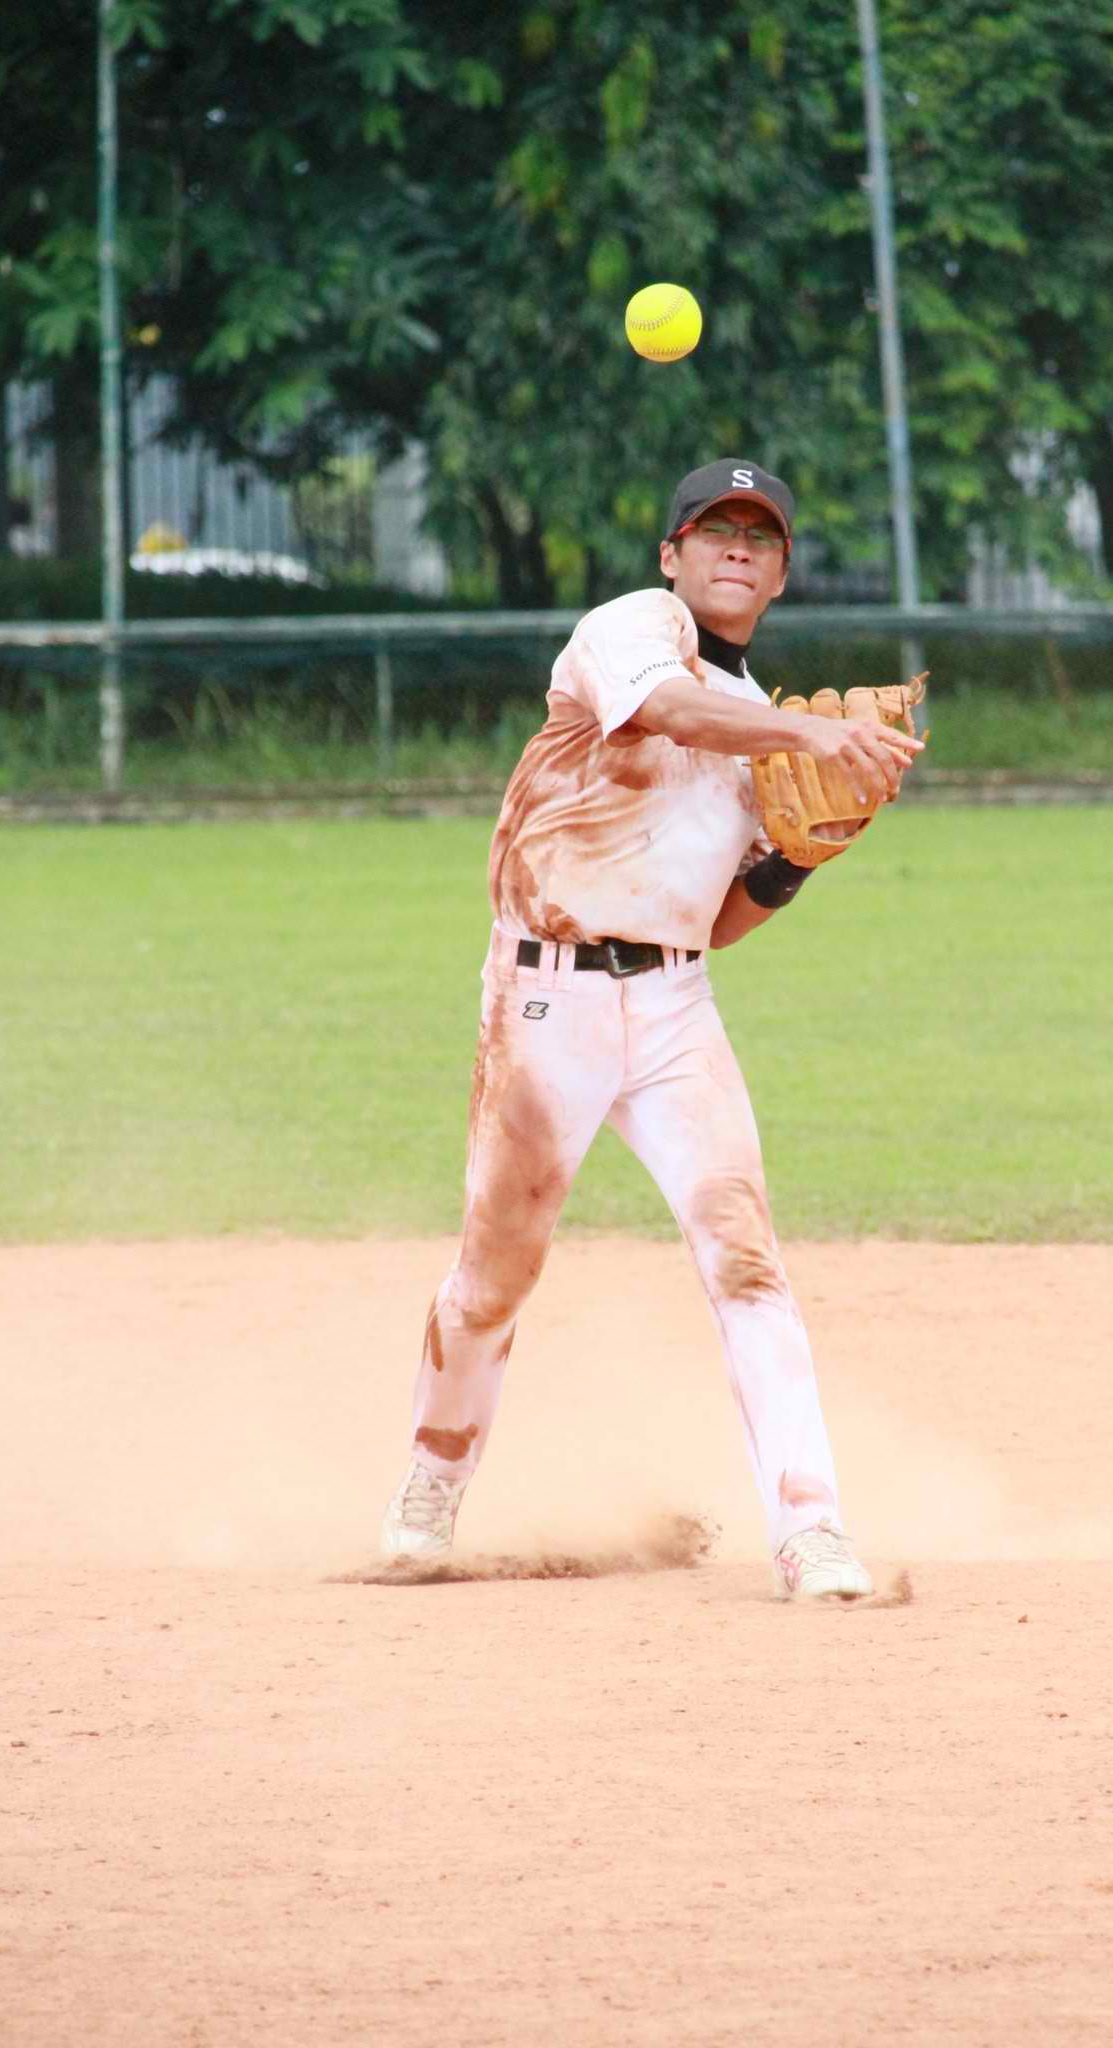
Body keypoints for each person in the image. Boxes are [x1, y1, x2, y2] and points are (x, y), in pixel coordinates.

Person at [380, 458, 923, 1600]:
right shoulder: (633, 630)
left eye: (760, 536)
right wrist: (806, 740)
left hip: (673, 1007)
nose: (737, 547)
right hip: (543, 1001)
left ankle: (811, 1527)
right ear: (672, 554)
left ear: (779, 575)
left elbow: (717, 922)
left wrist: (800, 857)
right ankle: (431, 1480)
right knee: (495, 1272)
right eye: (714, 529)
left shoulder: (766, 732)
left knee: (747, 1261)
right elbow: (671, 709)